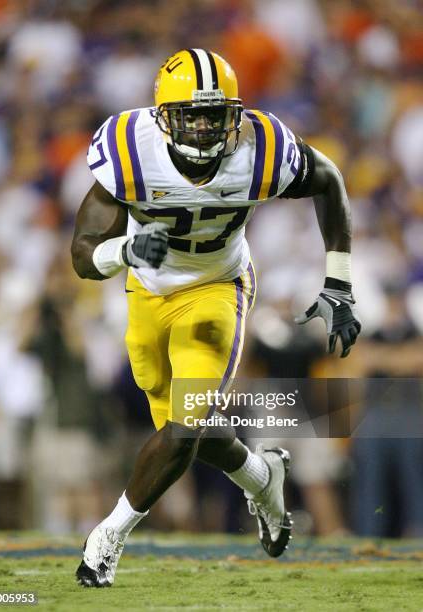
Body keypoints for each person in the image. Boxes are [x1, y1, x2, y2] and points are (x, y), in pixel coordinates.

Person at [71, 48, 361, 587]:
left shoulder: (261, 148)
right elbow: (83, 254)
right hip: (146, 291)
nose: (204, 127)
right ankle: (262, 477)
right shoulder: (130, 150)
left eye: (215, 113)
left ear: (235, 112)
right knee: (185, 432)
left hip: (218, 289)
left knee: (182, 431)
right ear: (164, 116)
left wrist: (339, 282)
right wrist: (125, 254)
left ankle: (108, 536)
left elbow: (329, 181)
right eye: (191, 114)